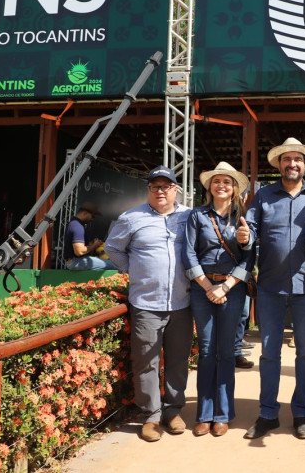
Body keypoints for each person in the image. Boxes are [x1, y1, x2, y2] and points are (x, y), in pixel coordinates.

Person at [104, 166, 191, 442]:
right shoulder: (131, 218)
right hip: (146, 302)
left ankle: (173, 411)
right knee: (146, 361)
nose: (161, 191)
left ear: (176, 189)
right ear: (149, 190)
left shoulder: (189, 217)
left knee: (178, 361)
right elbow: (112, 248)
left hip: (181, 302)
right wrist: (135, 270)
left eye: (166, 186)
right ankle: (151, 416)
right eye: (155, 186)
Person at [243, 138, 305, 441]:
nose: (292, 164)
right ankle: (267, 414)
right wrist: (244, 236)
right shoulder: (263, 196)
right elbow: (249, 232)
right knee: (269, 354)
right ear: (279, 164)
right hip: (271, 288)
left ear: (304, 164)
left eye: (297, 159)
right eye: (286, 159)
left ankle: (301, 414)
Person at [182, 162, 254, 438]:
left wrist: (224, 287)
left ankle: (223, 414)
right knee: (207, 349)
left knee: (226, 351)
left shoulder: (244, 217)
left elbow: (250, 257)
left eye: (227, 182)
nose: (221, 185)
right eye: (216, 181)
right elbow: (188, 253)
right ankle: (204, 413)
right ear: (209, 186)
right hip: (202, 288)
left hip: (232, 289)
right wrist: (208, 285)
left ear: (234, 187)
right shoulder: (196, 216)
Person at [63, 202, 114, 271]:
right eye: (92, 216)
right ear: (84, 213)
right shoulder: (77, 226)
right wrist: (94, 246)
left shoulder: (74, 223)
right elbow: (79, 251)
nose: (93, 219)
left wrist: (92, 244)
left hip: (75, 261)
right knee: (114, 265)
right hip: (76, 262)